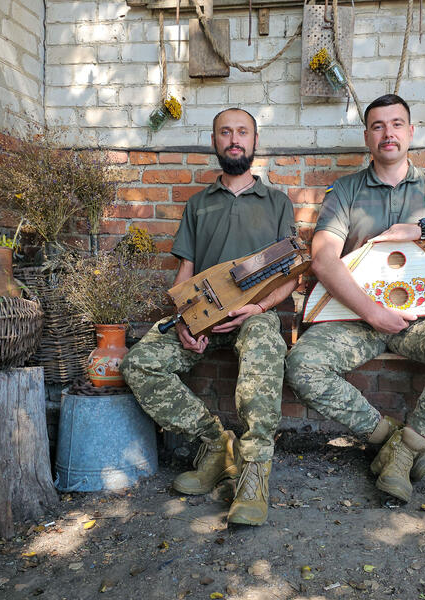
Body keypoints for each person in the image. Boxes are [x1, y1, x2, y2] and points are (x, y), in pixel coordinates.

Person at [285, 94, 425, 503]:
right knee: (302, 364)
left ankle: (409, 450)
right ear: (367, 137)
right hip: (356, 318)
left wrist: (422, 230)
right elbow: (322, 258)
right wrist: (371, 312)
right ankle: (387, 440)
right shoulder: (345, 191)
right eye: (378, 126)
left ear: (411, 132)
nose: (388, 133)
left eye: (397, 124)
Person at [121, 108, 297, 526]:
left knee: (264, 341)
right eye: (225, 133)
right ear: (215, 142)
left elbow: (291, 278)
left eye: (242, 132)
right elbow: (186, 272)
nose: (234, 139)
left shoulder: (277, 202)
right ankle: (216, 445)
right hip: (202, 315)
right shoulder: (198, 204)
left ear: (255, 141)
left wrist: (257, 308)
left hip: (252, 315)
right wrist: (185, 320)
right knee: (140, 363)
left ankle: (254, 472)